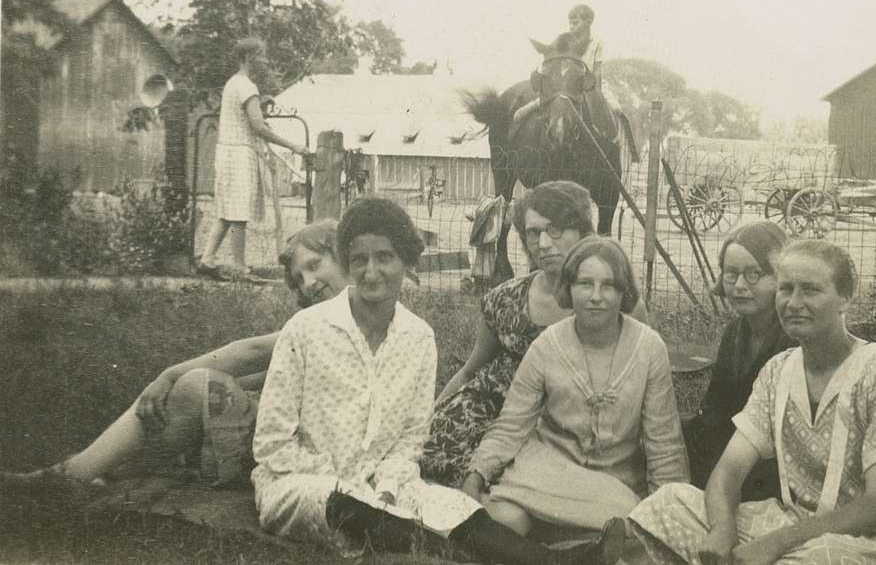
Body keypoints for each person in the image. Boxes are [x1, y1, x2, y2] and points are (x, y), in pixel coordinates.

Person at [250, 197, 608, 565]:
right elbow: (271, 444)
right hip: (301, 484)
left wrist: (387, 486)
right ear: (346, 263)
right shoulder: (306, 330)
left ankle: (563, 562)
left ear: (406, 261)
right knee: (340, 502)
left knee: (451, 505)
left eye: (385, 258)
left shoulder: (418, 337)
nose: (371, 272)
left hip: (383, 486)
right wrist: (347, 480)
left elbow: (410, 441)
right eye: (359, 260)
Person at [613, 240, 876, 565]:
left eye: (811, 290)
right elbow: (729, 471)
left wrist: (775, 544)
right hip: (797, 524)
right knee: (668, 503)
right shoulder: (778, 370)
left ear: (845, 298)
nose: (793, 302)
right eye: (786, 289)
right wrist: (723, 529)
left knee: (818, 559)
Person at [0, 220, 349, 489]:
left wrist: (168, 377)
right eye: (300, 278)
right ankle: (92, 473)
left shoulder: (345, 313)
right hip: (308, 443)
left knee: (196, 385)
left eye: (315, 265)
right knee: (200, 390)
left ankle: (76, 475)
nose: (309, 283)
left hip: (311, 454)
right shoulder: (330, 316)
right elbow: (268, 376)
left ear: (344, 253)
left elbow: (254, 351)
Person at [420, 181, 647, 487]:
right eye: (532, 232)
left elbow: (637, 384)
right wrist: (427, 419)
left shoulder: (612, 302)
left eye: (555, 229)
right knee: (438, 464)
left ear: (583, 232)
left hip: (562, 422)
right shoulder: (506, 298)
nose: (542, 243)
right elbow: (471, 369)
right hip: (490, 411)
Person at [461, 236, 689, 537]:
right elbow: (511, 425)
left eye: (608, 285)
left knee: (630, 523)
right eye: (585, 284)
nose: (596, 296)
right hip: (546, 471)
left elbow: (664, 440)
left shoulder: (649, 347)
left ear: (624, 292)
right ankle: (570, 541)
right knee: (508, 520)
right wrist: (474, 477)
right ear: (568, 288)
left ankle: (567, 539)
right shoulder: (547, 345)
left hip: (614, 480)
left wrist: (668, 507)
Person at [685, 221, 795, 501]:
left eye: (754, 274)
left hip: (771, 466)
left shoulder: (794, 339)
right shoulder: (736, 331)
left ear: (780, 277)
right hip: (731, 449)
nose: (740, 286)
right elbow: (715, 405)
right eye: (731, 274)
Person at [197, 38, 310, 279]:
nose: (264, 61)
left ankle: (207, 259)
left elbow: (247, 118)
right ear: (249, 57)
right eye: (261, 56)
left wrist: (261, 103)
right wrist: (295, 146)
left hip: (227, 151)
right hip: (239, 153)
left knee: (227, 212)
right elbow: (259, 127)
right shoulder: (247, 86)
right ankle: (240, 267)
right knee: (238, 214)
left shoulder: (234, 84)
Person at [515, 5, 616, 140]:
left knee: (615, 109)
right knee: (554, 96)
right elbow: (552, 62)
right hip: (568, 82)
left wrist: (594, 90)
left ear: (587, 23)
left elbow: (597, 71)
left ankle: (609, 139)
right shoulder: (564, 40)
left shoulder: (596, 42)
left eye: (575, 23)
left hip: (588, 82)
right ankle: (530, 109)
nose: (571, 27)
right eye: (570, 23)